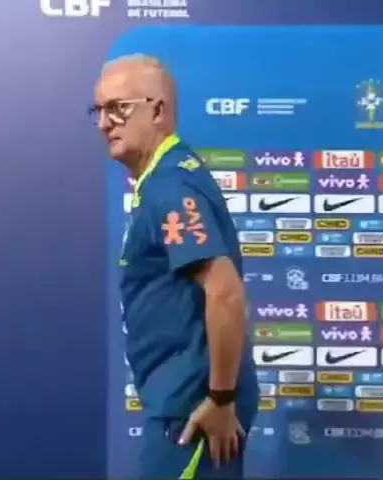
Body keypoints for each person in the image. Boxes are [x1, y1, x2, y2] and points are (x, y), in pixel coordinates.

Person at [91, 54, 259, 479]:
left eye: (118, 108)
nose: (104, 123)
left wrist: (220, 399)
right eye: (99, 111)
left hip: (192, 412)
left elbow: (225, 292)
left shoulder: (170, 186)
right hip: (181, 404)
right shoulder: (163, 180)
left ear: (157, 110)